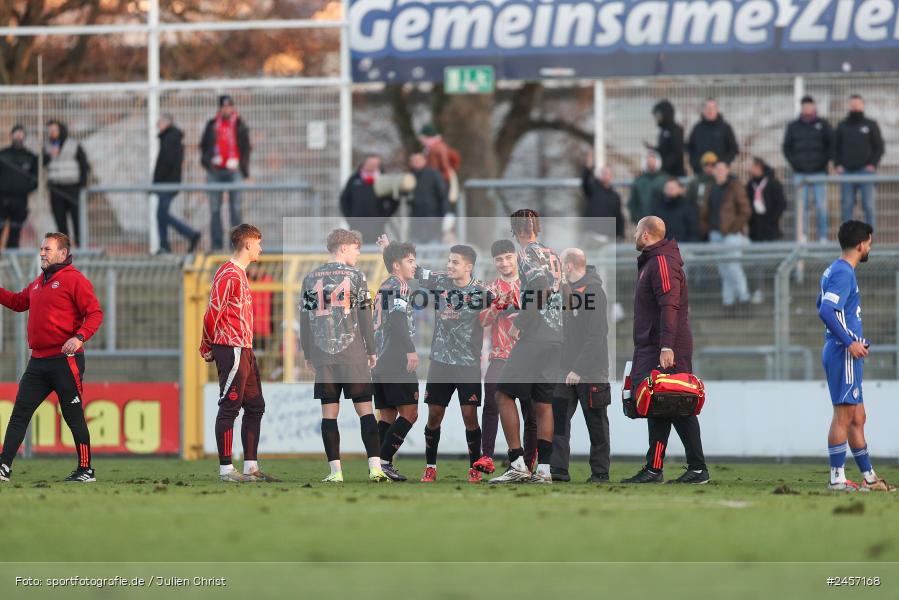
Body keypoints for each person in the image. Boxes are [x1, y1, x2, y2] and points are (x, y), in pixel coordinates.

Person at [0, 233, 103, 483]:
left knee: (73, 415)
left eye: (47, 249)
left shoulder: (74, 280)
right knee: (20, 413)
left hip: (65, 360)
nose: (42, 253)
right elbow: (16, 302)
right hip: (38, 362)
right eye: (42, 248)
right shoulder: (39, 283)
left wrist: (79, 337)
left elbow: (95, 314)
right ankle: (3, 466)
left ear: (63, 253)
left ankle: (85, 469)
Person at [621, 217, 709, 484]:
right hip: (654, 344)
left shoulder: (661, 262)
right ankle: (655, 468)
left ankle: (696, 468)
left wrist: (667, 345)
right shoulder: (654, 261)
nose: (634, 236)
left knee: (678, 403)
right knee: (660, 404)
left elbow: (669, 305)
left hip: (666, 346)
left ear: (646, 235)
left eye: (636, 231)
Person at [300, 229, 387, 483]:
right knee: (366, 412)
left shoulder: (310, 277)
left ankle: (335, 472)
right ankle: (375, 469)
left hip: (323, 356)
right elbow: (364, 316)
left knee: (329, 414)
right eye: (356, 247)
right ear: (344, 247)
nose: (359, 252)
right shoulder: (357, 276)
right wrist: (371, 350)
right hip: (352, 355)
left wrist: (308, 352)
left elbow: (304, 319)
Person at [816, 220, 894, 492]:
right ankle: (836, 479)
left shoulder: (835, 270)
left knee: (858, 417)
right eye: (870, 242)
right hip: (843, 352)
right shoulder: (843, 272)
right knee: (844, 415)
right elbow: (826, 311)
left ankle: (870, 478)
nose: (870, 247)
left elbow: (824, 306)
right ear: (862, 244)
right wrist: (849, 342)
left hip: (843, 351)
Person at [200, 224, 278, 483]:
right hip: (231, 347)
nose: (260, 248)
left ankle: (251, 467)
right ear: (247, 244)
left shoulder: (240, 274)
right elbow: (213, 311)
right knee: (230, 406)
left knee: (255, 406)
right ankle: (226, 470)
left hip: (244, 348)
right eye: (258, 243)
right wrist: (207, 344)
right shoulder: (229, 274)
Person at [490, 209, 563, 485]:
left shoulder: (525, 254)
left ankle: (517, 463)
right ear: (537, 227)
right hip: (556, 335)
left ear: (515, 230)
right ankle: (544, 469)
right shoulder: (553, 254)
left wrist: (523, 320)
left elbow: (541, 287)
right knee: (543, 404)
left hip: (536, 333)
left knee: (503, 394)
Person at [412, 243, 489, 483]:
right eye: (449, 261)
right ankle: (430, 466)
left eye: (455, 262)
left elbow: (505, 307)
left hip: (467, 364)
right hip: (440, 362)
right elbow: (414, 269)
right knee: (434, 415)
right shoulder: (441, 281)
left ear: (469, 266)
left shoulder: (483, 292)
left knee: (470, 416)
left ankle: (474, 467)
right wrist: (388, 248)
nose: (449, 265)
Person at [476, 240, 538, 474]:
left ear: (516, 258)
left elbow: (540, 315)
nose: (504, 263)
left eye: (508, 257)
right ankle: (487, 456)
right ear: (494, 262)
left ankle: (528, 462)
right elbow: (482, 320)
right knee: (491, 400)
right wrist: (496, 307)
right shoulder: (491, 288)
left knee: (530, 410)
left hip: (528, 356)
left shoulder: (530, 285)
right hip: (500, 355)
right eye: (499, 259)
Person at [550, 248, 611, 484]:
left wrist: (578, 369)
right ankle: (559, 470)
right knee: (559, 421)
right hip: (564, 371)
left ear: (568, 266)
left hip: (591, 372)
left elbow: (597, 336)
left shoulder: (595, 292)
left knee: (596, 423)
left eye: (559, 265)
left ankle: (600, 472)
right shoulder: (565, 291)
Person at [371, 240, 421, 482]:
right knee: (410, 413)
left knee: (388, 415)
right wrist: (410, 350)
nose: (415, 265)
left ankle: (377, 465)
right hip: (395, 357)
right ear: (396, 265)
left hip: (380, 359)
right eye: (410, 261)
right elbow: (397, 320)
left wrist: (389, 249)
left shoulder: (385, 284)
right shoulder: (399, 286)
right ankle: (384, 461)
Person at [200, 95, 251, 251]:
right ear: (220, 108)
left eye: (230, 106)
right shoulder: (212, 124)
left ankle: (236, 246)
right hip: (215, 171)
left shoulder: (240, 124)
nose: (227, 109)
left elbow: (246, 147)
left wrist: (243, 168)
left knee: (235, 209)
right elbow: (203, 145)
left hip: (234, 170)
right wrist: (208, 163)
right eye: (224, 106)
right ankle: (216, 245)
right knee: (215, 209)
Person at [699, 161, 751, 309]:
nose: (720, 171)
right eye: (717, 169)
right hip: (715, 233)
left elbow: (745, 210)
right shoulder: (710, 187)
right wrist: (706, 227)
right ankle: (728, 301)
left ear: (728, 170)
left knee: (733, 266)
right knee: (723, 268)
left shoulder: (735, 186)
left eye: (723, 168)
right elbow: (705, 210)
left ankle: (744, 297)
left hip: (731, 234)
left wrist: (734, 228)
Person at [782, 95, 833, 242]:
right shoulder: (793, 126)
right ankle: (802, 236)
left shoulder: (823, 124)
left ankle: (822, 237)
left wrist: (822, 163)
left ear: (814, 106)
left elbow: (830, 145)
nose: (807, 108)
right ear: (801, 107)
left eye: (809, 105)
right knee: (801, 207)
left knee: (821, 206)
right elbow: (786, 148)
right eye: (804, 106)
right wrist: (795, 163)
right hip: (800, 173)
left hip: (819, 172)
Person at [835, 95, 884, 229]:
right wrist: (838, 164)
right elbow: (835, 147)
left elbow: (879, 146)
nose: (855, 106)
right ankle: (847, 237)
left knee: (868, 205)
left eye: (858, 104)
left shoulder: (871, 124)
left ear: (863, 105)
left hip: (866, 172)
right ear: (849, 105)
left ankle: (870, 237)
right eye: (853, 104)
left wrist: (872, 164)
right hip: (847, 172)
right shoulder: (842, 125)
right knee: (847, 205)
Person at [154, 115, 200, 254]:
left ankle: (187, 235)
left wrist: (157, 181)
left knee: (161, 214)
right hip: (169, 181)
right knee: (161, 214)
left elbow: (166, 162)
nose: (157, 126)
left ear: (166, 123)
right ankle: (168, 243)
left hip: (167, 182)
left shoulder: (170, 138)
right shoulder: (172, 137)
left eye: (159, 123)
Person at [43, 120, 89, 245]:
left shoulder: (73, 145)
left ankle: (81, 247)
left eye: (54, 130)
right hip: (56, 189)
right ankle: (65, 250)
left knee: (77, 220)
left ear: (61, 130)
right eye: (50, 131)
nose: (52, 133)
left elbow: (84, 165)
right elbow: (41, 164)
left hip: (72, 187)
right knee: (60, 221)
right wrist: (48, 156)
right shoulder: (47, 147)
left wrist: (82, 185)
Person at [339, 154, 397, 244]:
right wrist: (350, 218)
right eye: (371, 162)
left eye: (376, 163)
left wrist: (384, 217)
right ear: (364, 163)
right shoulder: (354, 179)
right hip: (357, 225)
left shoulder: (384, 180)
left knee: (378, 251)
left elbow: (394, 201)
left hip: (377, 226)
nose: (373, 165)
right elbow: (344, 200)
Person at [0, 124, 38, 250]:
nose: (19, 136)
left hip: (20, 200)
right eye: (16, 134)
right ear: (11, 135)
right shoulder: (3, 155)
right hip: (2, 199)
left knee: (14, 234)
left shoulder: (31, 157)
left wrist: (25, 189)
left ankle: (11, 261)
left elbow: (35, 179)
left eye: (21, 134)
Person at [686, 99, 739, 174]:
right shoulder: (697, 128)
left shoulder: (725, 127)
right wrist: (695, 164)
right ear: (703, 110)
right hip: (700, 172)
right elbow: (690, 148)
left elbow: (733, 149)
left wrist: (724, 163)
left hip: (720, 173)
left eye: (712, 108)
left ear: (717, 110)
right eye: (707, 108)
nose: (709, 111)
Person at [581, 150, 624, 239]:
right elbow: (585, 183)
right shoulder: (593, 189)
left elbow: (619, 217)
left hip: (608, 236)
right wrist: (588, 168)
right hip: (592, 235)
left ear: (612, 176)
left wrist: (620, 234)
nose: (605, 175)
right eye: (603, 173)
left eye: (607, 173)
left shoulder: (615, 196)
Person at [408, 152, 448, 243]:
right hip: (416, 219)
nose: (415, 162)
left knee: (432, 243)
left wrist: (443, 215)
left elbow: (443, 195)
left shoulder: (433, 174)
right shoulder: (409, 176)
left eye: (418, 160)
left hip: (432, 217)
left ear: (424, 161)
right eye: (413, 161)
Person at [746, 157, 786, 242]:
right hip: (755, 230)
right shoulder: (750, 185)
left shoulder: (773, 183)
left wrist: (772, 219)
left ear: (759, 167)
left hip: (771, 229)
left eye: (751, 166)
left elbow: (781, 203)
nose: (749, 169)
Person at [419, 124, 461, 202]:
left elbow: (444, 165)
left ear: (427, 136)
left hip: (439, 180)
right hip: (436, 179)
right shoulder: (429, 148)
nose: (420, 139)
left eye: (422, 137)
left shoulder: (437, 148)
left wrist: (442, 180)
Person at [646, 100, 686, 177]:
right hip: (665, 173)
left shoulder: (676, 130)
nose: (657, 118)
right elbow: (663, 150)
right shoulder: (663, 131)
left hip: (674, 173)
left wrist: (662, 166)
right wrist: (654, 149)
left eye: (658, 115)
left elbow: (676, 153)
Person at [628, 151, 667, 225]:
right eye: (648, 161)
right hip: (643, 223)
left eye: (653, 161)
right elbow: (633, 202)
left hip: (662, 223)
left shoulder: (665, 179)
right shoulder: (638, 181)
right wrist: (637, 219)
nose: (651, 163)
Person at [656, 178, 697, 243]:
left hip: (683, 247)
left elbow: (693, 230)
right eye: (668, 188)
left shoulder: (687, 207)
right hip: (663, 248)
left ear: (680, 189)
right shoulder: (659, 208)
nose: (670, 190)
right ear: (664, 190)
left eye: (673, 188)